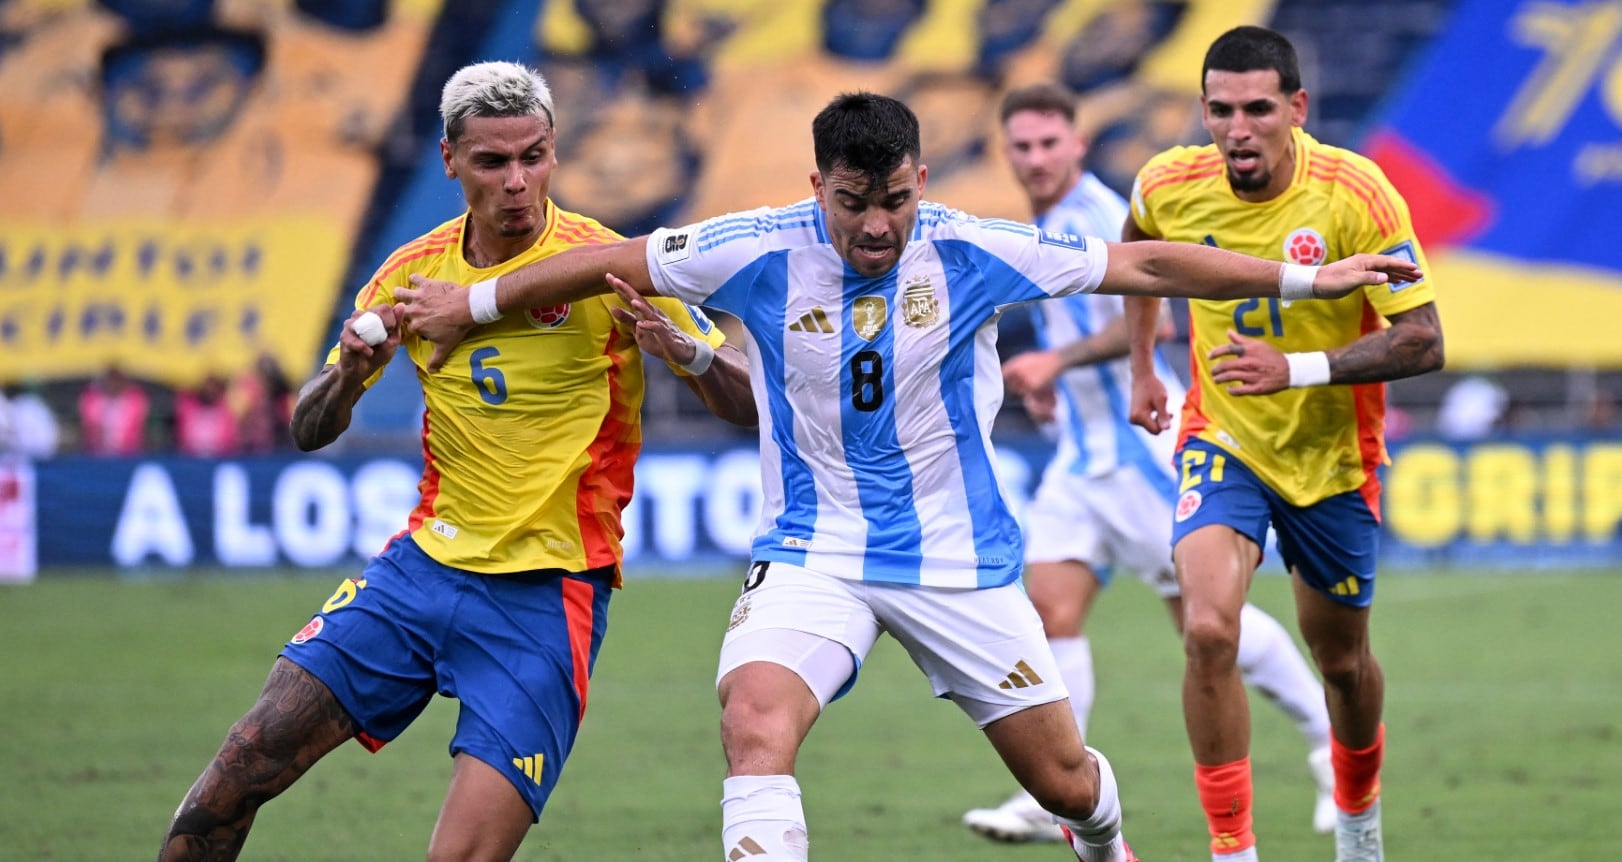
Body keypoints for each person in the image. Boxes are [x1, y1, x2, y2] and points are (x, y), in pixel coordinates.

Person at [394, 92, 1419, 862]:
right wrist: (474, 308)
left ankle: (1102, 840)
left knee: (1065, 782)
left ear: (918, 181)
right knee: (754, 725)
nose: (875, 226)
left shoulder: (970, 247)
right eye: (850, 204)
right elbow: (600, 259)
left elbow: (1144, 267)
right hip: (811, 551)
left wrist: (1305, 277)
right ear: (815, 189)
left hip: (954, 558)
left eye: (891, 200)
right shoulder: (748, 248)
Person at [156, 61, 755, 862]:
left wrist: (682, 351)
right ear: (449, 160)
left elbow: (748, 405)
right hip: (417, 576)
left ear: (553, 151)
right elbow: (307, 428)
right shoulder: (410, 273)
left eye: (534, 156)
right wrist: (347, 377)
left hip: (545, 600)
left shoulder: (606, 264)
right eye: (492, 162)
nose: (518, 181)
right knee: (234, 774)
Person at [961, 82, 1337, 845]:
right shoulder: (1049, 222)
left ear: (1078, 145)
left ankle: (1329, 747)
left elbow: (1159, 314)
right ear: (1008, 152)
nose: (1035, 159)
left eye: (1048, 144)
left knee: (1203, 622)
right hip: (1082, 456)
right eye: (1022, 147)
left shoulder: (1099, 216)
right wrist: (1056, 384)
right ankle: (1054, 790)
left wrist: (1053, 361)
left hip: (1140, 448)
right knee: (1050, 609)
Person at [1121, 27, 1445, 862]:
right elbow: (1140, 261)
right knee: (1207, 631)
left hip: (1333, 459)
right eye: (1220, 110)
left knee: (1341, 662)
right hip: (1221, 437)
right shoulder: (1168, 183)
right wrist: (1143, 369)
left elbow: (1423, 342)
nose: (1238, 129)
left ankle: (1359, 820)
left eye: (1258, 109)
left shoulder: (1356, 195)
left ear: (1296, 109)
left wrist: (1296, 367)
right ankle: (1233, 850)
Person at [77, 364, 149, 456]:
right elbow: (90, 429)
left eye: (116, 381)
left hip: (128, 454)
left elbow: (136, 432)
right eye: (110, 381)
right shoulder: (92, 400)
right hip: (97, 454)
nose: (113, 385)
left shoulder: (135, 400)